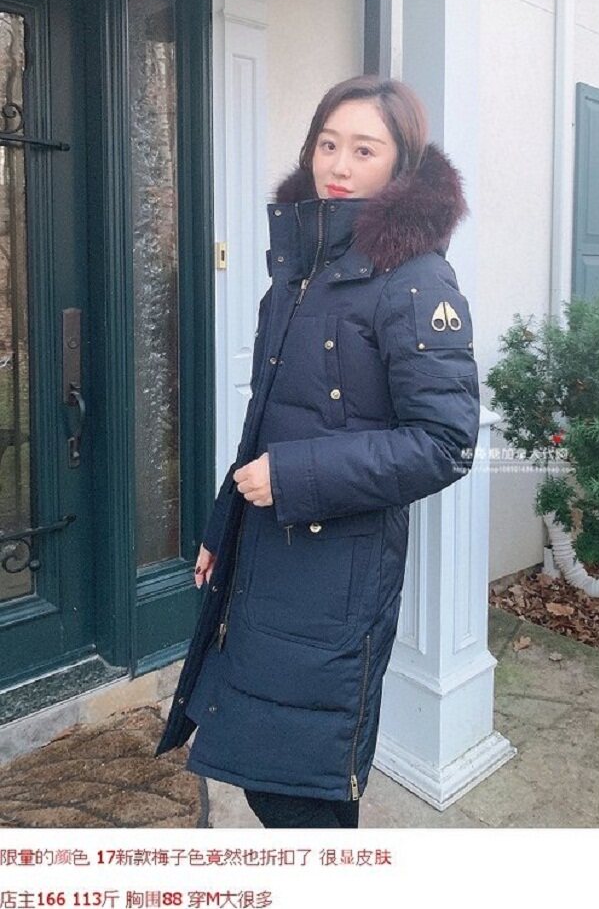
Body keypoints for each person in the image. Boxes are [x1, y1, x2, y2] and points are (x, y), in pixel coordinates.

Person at [155, 75, 480, 828]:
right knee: (263, 766)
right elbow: (265, 420)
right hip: (266, 550)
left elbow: (445, 443)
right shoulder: (301, 267)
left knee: (303, 787)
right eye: (327, 143)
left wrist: (293, 476)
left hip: (338, 573)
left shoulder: (417, 279)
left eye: (364, 149)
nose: (338, 164)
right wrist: (223, 525)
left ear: (400, 166)